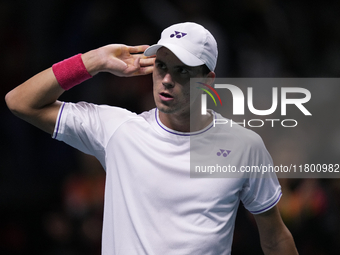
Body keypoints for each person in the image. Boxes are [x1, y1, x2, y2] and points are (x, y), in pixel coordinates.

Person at [5, 22, 298, 255]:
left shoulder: (244, 146)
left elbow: (274, 239)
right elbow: (20, 101)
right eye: (162, 66)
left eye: (182, 70)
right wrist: (92, 61)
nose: (167, 79)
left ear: (208, 81)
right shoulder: (118, 130)